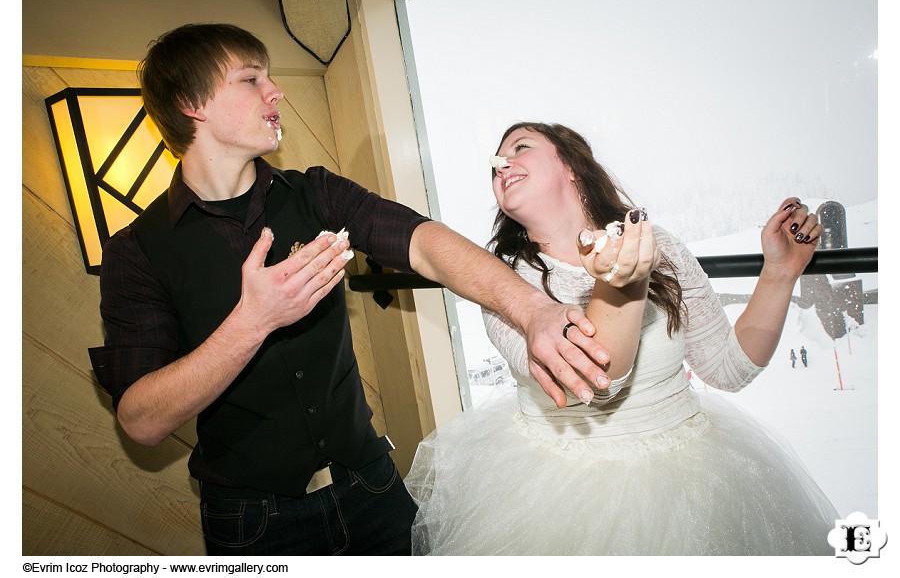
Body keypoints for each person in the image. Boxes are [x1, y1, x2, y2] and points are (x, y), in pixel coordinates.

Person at [87, 28, 613, 556]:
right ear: (190, 104)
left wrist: (533, 309)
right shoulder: (136, 252)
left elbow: (423, 243)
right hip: (254, 525)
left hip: (374, 489)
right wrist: (253, 321)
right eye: (251, 79)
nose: (275, 92)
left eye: (270, 76)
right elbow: (141, 420)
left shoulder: (316, 192)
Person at [405, 122, 839, 555]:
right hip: (559, 496)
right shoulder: (503, 281)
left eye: (520, 147)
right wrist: (623, 285)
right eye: (495, 162)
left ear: (572, 166)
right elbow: (592, 383)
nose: (502, 164)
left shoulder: (660, 246)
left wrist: (780, 273)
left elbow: (729, 367)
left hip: (696, 480)